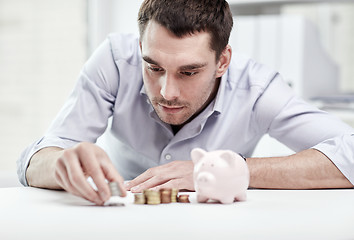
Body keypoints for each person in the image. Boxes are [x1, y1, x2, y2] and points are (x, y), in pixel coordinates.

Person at [18, 0, 354, 205]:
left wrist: (237, 170)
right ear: (140, 47)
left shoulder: (258, 89)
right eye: (153, 67)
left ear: (223, 61)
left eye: (189, 71)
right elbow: (37, 158)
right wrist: (59, 165)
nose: (167, 92)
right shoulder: (114, 61)